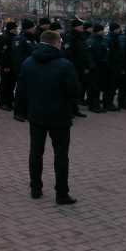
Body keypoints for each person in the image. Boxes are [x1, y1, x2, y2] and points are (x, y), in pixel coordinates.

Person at [15, 30, 81, 205]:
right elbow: (74, 92)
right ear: (57, 43)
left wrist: (22, 110)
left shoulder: (28, 62)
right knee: (61, 154)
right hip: (59, 115)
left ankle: (35, 188)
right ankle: (61, 193)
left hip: (36, 114)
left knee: (36, 151)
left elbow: (21, 89)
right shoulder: (65, 65)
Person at [12, 19, 38, 122]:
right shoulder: (20, 39)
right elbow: (17, 57)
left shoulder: (32, 39)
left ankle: (26, 112)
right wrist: (19, 70)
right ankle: (18, 112)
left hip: (32, 69)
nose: (34, 29)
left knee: (29, 92)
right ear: (28, 28)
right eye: (33, 27)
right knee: (21, 92)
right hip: (23, 70)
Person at [61, 19, 88, 118]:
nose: (82, 27)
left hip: (80, 65)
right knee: (70, 87)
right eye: (80, 25)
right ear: (75, 26)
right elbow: (67, 51)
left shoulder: (81, 36)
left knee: (78, 87)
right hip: (73, 65)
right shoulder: (69, 36)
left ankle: (75, 109)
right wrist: (73, 63)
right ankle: (69, 110)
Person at [85, 23, 109, 113]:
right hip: (94, 68)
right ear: (98, 31)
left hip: (101, 67)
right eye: (102, 30)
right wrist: (91, 67)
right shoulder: (91, 41)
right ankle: (92, 105)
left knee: (98, 88)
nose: (104, 32)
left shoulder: (101, 40)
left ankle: (97, 105)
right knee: (93, 88)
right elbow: (89, 56)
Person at [0, 21, 19, 111]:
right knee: (5, 84)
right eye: (15, 28)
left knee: (11, 84)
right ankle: (3, 102)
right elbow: (3, 53)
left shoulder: (13, 37)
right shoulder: (4, 37)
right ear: (11, 29)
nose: (16, 30)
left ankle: (10, 101)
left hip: (12, 64)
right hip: (6, 65)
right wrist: (5, 65)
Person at [103, 22, 123, 111]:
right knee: (109, 86)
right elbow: (109, 54)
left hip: (116, 65)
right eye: (118, 28)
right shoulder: (109, 39)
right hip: (110, 66)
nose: (120, 30)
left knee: (113, 85)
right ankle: (107, 104)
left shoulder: (116, 38)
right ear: (114, 29)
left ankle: (110, 103)